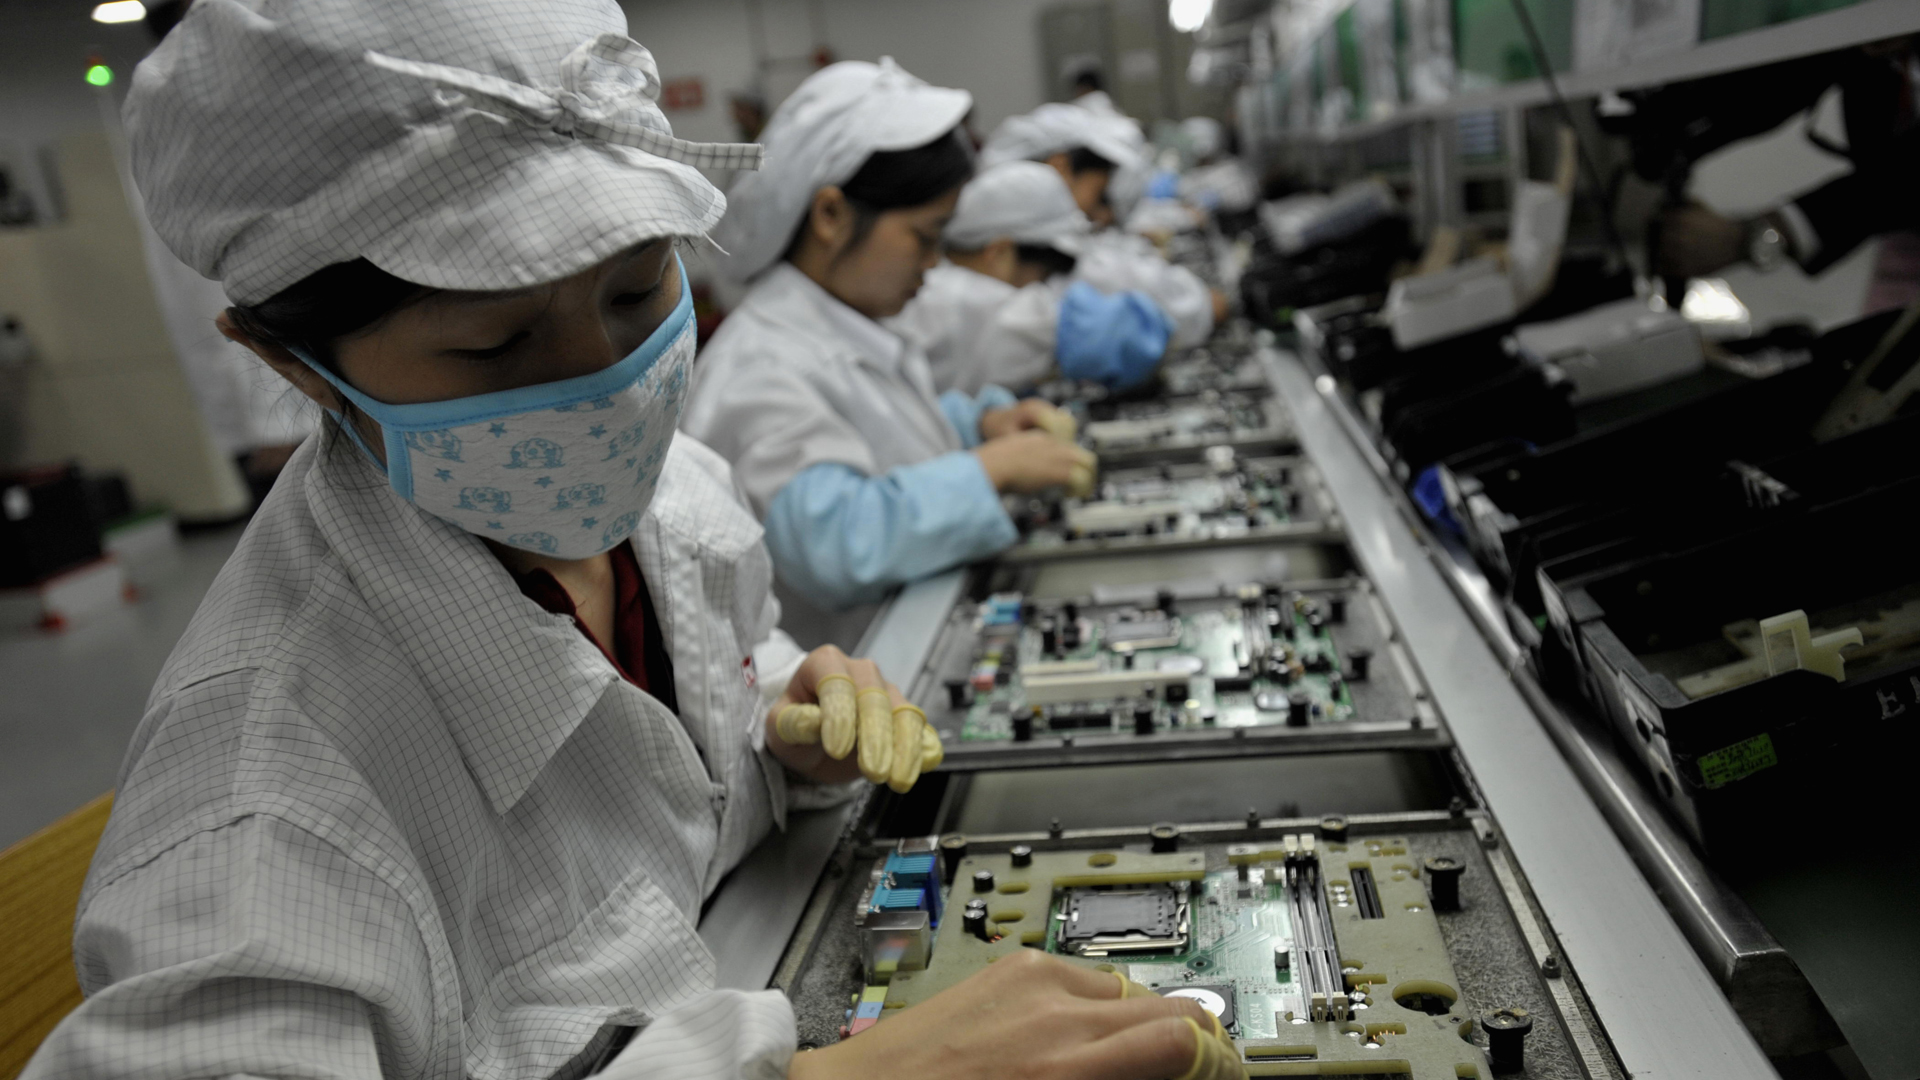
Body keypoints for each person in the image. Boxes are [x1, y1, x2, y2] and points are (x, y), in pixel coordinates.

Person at [19, 5, 1233, 1080]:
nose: (604, 385)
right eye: (494, 348)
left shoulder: (665, 493)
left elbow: (670, 742)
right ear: (292, 362)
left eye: (639, 291)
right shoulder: (263, 805)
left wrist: (781, 731)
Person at [682, 59, 1093, 645]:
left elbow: (876, 439)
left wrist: (979, 426)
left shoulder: (845, 324)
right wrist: (990, 469)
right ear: (831, 215)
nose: (933, 264)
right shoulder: (760, 365)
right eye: (924, 238)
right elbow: (836, 542)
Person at [888, 160, 1172, 394]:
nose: (1039, 290)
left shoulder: (944, 289)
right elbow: (1087, 330)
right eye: (1041, 276)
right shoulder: (961, 303)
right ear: (998, 252)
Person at [982, 103, 1224, 349]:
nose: (1101, 214)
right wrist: (1197, 305)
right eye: (1099, 193)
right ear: (1060, 167)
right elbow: (1098, 275)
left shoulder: (1013, 225)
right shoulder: (1031, 245)